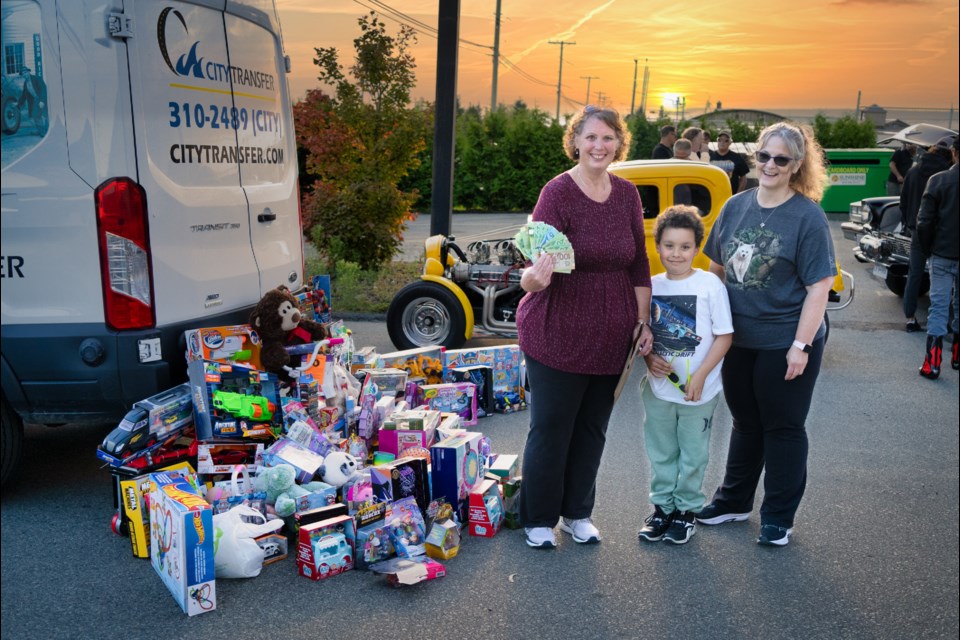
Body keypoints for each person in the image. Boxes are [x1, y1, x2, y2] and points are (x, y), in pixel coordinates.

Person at [517, 105, 654, 549]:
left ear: (619, 144)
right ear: (575, 141)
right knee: (552, 427)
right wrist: (531, 280)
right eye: (591, 137)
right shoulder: (557, 192)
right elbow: (533, 263)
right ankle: (538, 517)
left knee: (592, 428)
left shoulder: (627, 194)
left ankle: (578, 513)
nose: (599, 146)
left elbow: (638, 263)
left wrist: (641, 322)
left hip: (612, 334)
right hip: (558, 328)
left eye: (608, 138)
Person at [698, 121, 837, 547]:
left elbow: (819, 287)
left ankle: (778, 516)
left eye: (781, 159)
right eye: (764, 156)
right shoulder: (736, 206)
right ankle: (734, 501)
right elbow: (716, 271)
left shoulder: (807, 216)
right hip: (739, 339)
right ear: (755, 157)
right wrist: (710, 329)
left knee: (783, 427)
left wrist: (802, 346)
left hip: (785, 339)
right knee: (746, 423)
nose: (770, 165)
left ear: (796, 165)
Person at [637, 206, 733, 545]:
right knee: (661, 452)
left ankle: (686, 510)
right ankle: (662, 508)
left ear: (697, 248)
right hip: (660, 390)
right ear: (657, 246)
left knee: (693, 454)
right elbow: (642, 335)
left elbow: (724, 336)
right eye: (669, 245)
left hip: (699, 392)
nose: (676, 254)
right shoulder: (649, 286)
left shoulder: (709, 285)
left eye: (685, 246)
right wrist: (648, 359)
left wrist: (702, 375)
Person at [915, 136, 959, 379]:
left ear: (954, 153)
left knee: (939, 308)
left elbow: (924, 222)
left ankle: (932, 364)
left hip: (942, 252)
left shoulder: (938, 180)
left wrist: (928, 248)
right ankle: (958, 358)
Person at [899, 137, 954, 332]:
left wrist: (909, 224)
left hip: (918, 230)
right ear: (950, 155)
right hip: (943, 234)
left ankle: (910, 318)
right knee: (946, 279)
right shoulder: (945, 175)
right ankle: (948, 323)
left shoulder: (913, 171)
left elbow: (903, 202)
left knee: (914, 273)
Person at [710, 130, 750, 195]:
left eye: (726, 140)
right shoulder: (709, 156)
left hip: (730, 196)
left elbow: (744, 179)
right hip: (713, 195)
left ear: (730, 143)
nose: (722, 142)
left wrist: (737, 195)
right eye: (720, 140)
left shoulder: (737, 157)